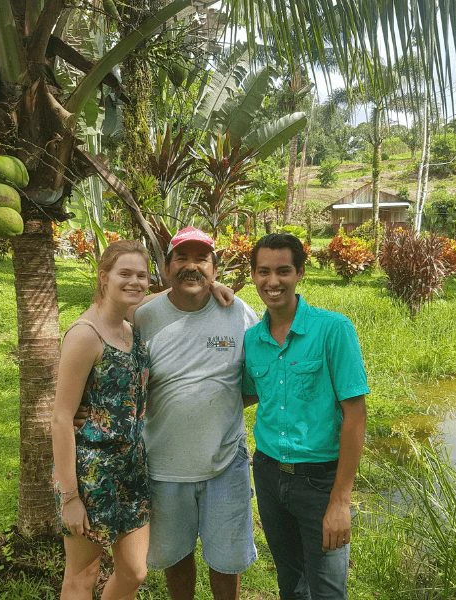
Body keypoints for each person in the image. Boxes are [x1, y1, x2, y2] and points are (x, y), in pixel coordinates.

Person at [242, 233, 370, 600]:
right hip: (268, 474)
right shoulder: (253, 339)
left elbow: (355, 415)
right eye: (263, 272)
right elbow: (248, 395)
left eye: (283, 271)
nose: (272, 282)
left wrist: (340, 500)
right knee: (291, 583)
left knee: (327, 589)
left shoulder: (333, 330)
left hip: (319, 481)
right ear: (253, 275)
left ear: (300, 273)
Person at [133, 226, 258, 600]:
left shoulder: (239, 313)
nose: (191, 266)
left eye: (201, 258)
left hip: (226, 464)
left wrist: (218, 409)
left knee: (226, 561)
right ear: (166, 266)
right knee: (176, 556)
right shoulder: (143, 317)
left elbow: (254, 381)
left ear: (214, 267)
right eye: (181, 258)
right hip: (164, 465)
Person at [51, 240, 153, 600]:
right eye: (124, 273)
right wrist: (70, 497)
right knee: (82, 574)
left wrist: (210, 285)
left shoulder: (130, 327)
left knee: (135, 571)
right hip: (91, 474)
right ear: (103, 277)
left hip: (132, 467)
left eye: (142, 275)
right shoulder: (85, 335)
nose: (135, 282)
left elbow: (166, 297)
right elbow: (62, 418)